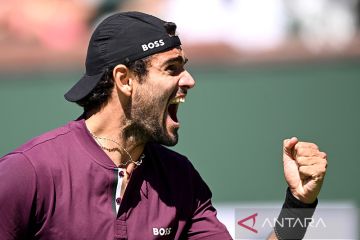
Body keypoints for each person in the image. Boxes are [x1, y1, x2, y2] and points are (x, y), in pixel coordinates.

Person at [0, 12, 327, 240]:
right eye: (172, 68)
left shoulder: (181, 180)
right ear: (125, 80)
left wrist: (298, 204)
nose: (189, 81)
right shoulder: (28, 173)